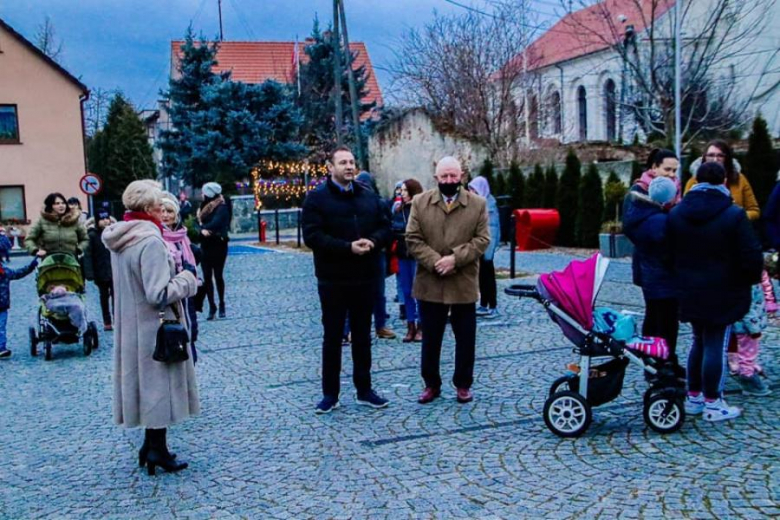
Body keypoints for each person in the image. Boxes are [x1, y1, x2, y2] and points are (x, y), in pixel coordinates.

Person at [102, 180, 199, 475]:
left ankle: (150, 445)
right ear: (147, 208)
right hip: (154, 326)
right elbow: (157, 293)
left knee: (146, 386)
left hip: (132, 325)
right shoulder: (150, 241)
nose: (163, 207)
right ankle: (157, 449)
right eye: (159, 203)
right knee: (159, 386)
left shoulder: (122, 237)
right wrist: (187, 279)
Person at [668, 162, 763, 422]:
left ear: (697, 180)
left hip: (688, 289)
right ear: (723, 181)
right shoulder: (733, 215)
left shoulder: (677, 213)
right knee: (715, 344)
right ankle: (713, 402)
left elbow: (669, 251)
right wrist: (749, 279)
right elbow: (751, 256)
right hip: (724, 290)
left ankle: (694, 397)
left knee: (698, 341)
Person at [302, 146, 391, 414]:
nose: (349, 167)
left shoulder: (368, 196)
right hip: (333, 279)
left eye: (352, 162)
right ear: (331, 167)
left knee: (363, 336)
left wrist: (373, 242)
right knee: (333, 337)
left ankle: (365, 389)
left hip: (365, 277)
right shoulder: (316, 199)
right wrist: (346, 247)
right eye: (343, 163)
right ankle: (330, 394)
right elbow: (312, 236)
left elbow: (386, 227)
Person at [406, 156, 490, 405]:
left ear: (462, 176)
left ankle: (463, 384)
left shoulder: (477, 204)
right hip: (430, 281)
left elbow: (482, 240)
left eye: (454, 176)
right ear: (436, 178)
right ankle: (431, 384)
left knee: (465, 337)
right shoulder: (420, 202)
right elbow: (412, 239)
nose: (449, 181)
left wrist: (455, 259)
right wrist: (435, 261)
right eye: (444, 177)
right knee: (431, 337)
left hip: (463, 280)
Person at [622, 151, 683, 369]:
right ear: (654, 168)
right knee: (657, 315)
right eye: (667, 169)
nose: (671, 175)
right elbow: (633, 227)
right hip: (652, 266)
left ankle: (667, 358)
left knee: (670, 317)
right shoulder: (639, 193)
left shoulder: (672, 194)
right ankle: (654, 361)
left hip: (670, 267)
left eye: (675, 170)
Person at [355, 171, 396, 340]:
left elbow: (386, 227)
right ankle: (351, 329)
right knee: (355, 294)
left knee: (378, 292)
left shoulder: (377, 203)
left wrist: (374, 241)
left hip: (375, 251)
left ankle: (380, 325)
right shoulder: (352, 203)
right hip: (355, 252)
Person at [160, 194, 201, 364]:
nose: (166, 215)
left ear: (176, 214)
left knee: (192, 328)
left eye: (170, 211)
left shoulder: (183, 236)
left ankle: (190, 361)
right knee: (175, 331)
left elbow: (190, 258)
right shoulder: (158, 237)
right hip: (172, 291)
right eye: (162, 211)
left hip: (187, 290)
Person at [685, 140, 760, 220]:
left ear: (727, 158)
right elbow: (685, 210)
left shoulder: (740, 179)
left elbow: (754, 210)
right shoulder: (693, 181)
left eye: (720, 155)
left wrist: (735, 217)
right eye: (711, 155)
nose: (715, 159)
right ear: (704, 157)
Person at [393, 179, 424, 342]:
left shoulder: (421, 209)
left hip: (416, 255)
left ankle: (421, 326)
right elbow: (395, 227)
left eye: (405, 190)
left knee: (418, 291)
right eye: (401, 190)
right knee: (407, 291)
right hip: (403, 253)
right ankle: (410, 325)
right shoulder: (399, 210)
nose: (402, 193)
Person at [468, 175, 501, 319]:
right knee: (481, 276)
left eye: (473, 189)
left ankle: (492, 305)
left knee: (488, 276)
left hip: (486, 246)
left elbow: (493, 229)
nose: (471, 192)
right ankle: (483, 303)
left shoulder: (489, 206)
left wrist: (489, 249)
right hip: (479, 245)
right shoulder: (477, 204)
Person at [197, 182, 231, 320]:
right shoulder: (203, 207)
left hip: (218, 244)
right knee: (206, 277)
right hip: (205, 245)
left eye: (203, 192)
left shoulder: (222, 207)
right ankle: (212, 306)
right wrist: (201, 229)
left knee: (218, 276)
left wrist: (204, 228)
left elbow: (218, 223)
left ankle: (222, 303)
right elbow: (196, 223)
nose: (202, 194)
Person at [732, 284, 772, 396]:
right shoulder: (748, 282)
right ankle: (748, 379)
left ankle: (745, 371)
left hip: (741, 325)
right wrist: (754, 329)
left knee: (741, 351)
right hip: (746, 327)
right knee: (748, 353)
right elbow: (747, 308)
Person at [0, 255, 41, 358]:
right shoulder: (4, 272)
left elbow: (19, 273)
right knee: (1, 327)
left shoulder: (4, 272)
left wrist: (32, 264)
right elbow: (18, 273)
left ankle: (1, 348)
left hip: (2, 305)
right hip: (2, 304)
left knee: (1, 327)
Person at [26, 193, 88, 258]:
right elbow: (29, 239)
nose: (61, 206)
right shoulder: (41, 221)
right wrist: (36, 251)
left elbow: (85, 239)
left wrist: (79, 249)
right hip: (49, 262)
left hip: (71, 261)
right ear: (50, 206)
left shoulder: (74, 221)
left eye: (63, 203)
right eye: (57, 203)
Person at [84, 209, 114, 331]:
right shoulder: (92, 235)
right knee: (104, 296)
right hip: (100, 271)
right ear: (97, 221)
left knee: (116, 296)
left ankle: (117, 318)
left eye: (107, 218)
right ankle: (107, 320)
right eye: (102, 219)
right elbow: (88, 255)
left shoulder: (114, 233)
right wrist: (89, 273)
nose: (105, 221)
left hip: (114, 270)